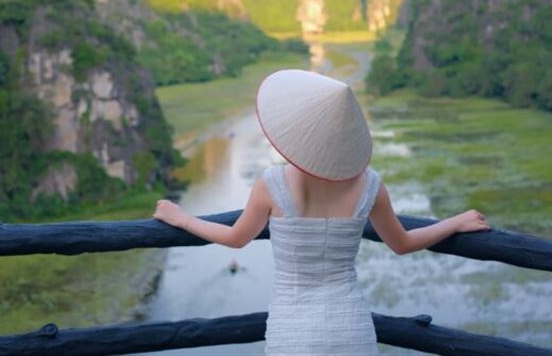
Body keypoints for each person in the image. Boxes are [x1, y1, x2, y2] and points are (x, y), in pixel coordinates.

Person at [153, 69, 490, 355]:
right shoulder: (370, 185)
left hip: (292, 332)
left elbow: (236, 238)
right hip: (351, 328)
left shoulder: (272, 184)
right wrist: (455, 222)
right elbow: (402, 243)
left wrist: (182, 219)